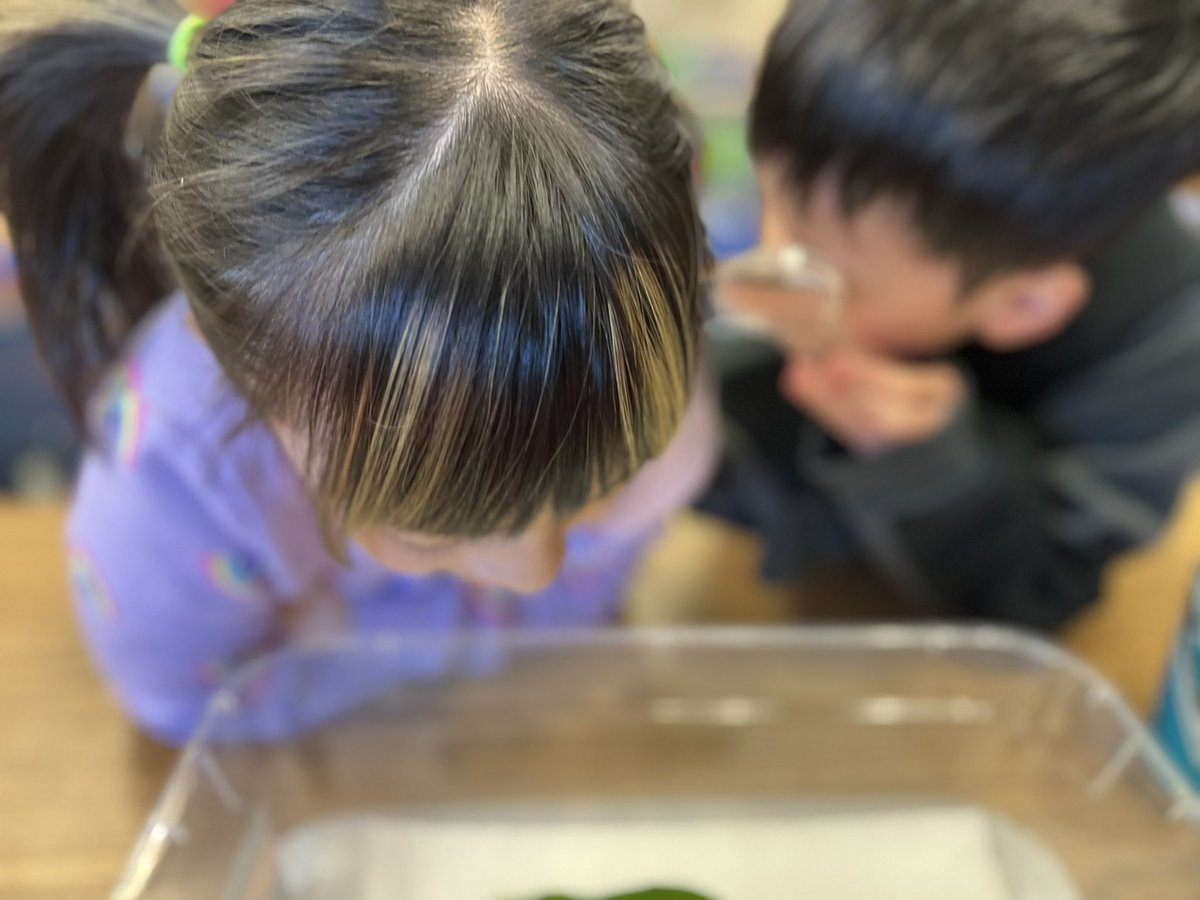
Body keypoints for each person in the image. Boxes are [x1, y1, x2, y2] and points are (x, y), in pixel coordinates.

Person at [0, 0, 717, 743]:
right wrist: (462, 635)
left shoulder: (628, 347)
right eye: (432, 530)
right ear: (244, 370)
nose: (534, 569)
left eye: (598, 486)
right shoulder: (175, 484)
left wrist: (344, 630)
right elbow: (183, 704)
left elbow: (590, 596)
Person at [703, 0, 1200, 630]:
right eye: (773, 202)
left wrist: (928, 464)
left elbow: (1044, 590)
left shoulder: (1161, 342)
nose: (771, 261)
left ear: (1025, 304)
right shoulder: (848, 160)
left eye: (820, 272)